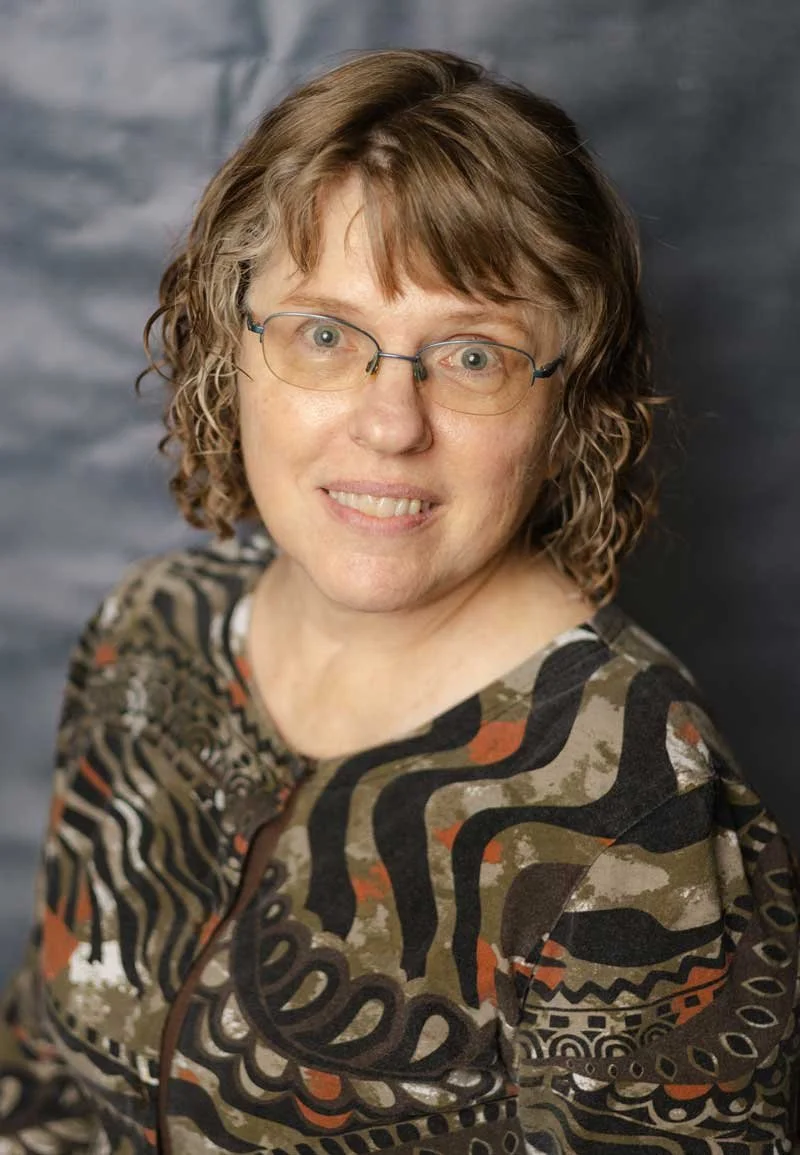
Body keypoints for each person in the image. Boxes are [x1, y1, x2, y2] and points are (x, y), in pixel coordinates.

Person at [0, 47, 797, 1155]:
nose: (390, 424)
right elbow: (42, 1073)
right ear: (230, 346)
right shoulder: (149, 633)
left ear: (570, 407)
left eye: (471, 356)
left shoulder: (636, 802)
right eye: (325, 335)